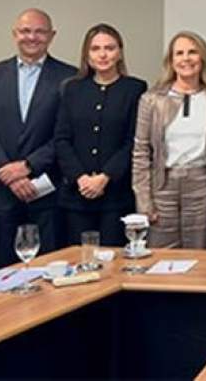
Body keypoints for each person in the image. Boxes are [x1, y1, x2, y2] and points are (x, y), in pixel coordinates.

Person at [0, 8, 76, 266]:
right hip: (1, 191)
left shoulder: (70, 78)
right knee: (3, 272)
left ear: (52, 36)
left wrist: (28, 166)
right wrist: (8, 172)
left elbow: (65, 134)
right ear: (14, 34)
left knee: (48, 269)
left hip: (46, 190)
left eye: (40, 31)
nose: (32, 37)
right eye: (25, 31)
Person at [133, 31, 206, 249]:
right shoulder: (152, 100)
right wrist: (144, 201)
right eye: (179, 53)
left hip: (203, 186)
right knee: (160, 256)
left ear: (203, 58)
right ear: (171, 61)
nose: (186, 58)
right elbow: (141, 152)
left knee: (199, 256)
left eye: (192, 52)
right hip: (162, 187)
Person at [54, 24, 147, 247]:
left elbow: (133, 141)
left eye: (109, 48)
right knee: (79, 258)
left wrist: (105, 177)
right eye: (95, 49)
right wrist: (81, 178)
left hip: (116, 194)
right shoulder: (72, 88)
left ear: (120, 52)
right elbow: (62, 139)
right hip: (77, 194)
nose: (103, 54)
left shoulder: (135, 88)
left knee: (114, 258)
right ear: (87, 54)